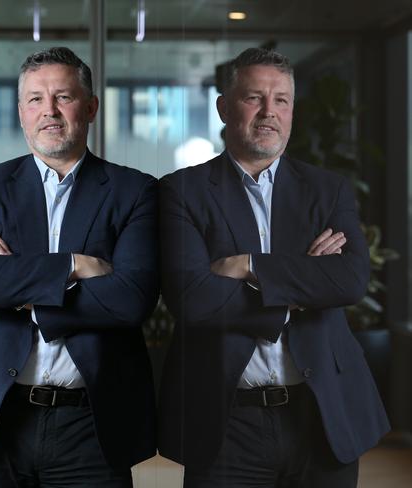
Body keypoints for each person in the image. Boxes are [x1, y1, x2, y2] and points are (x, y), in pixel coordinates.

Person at [0, 47, 159, 487]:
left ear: (90, 107)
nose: (48, 110)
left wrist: (15, 282)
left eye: (63, 97)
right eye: (34, 99)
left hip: (91, 424)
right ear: (21, 112)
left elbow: (131, 300)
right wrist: (74, 265)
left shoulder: (135, 191)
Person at [158, 47, 390, 488]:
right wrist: (302, 281)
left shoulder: (327, 189)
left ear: (292, 111)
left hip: (322, 415)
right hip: (225, 421)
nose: (269, 112)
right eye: (254, 98)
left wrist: (246, 265)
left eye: (281, 100)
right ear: (224, 107)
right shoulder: (182, 191)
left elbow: (349, 279)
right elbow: (193, 299)